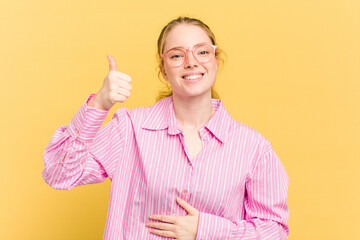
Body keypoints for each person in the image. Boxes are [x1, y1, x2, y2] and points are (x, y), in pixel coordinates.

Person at [43, 17, 289, 240]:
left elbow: (274, 230)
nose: (191, 62)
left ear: (216, 60)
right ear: (163, 70)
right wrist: (99, 103)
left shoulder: (253, 147)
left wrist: (204, 229)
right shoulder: (130, 128)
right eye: (176, 55)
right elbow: (58, 174)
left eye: (202, 51)